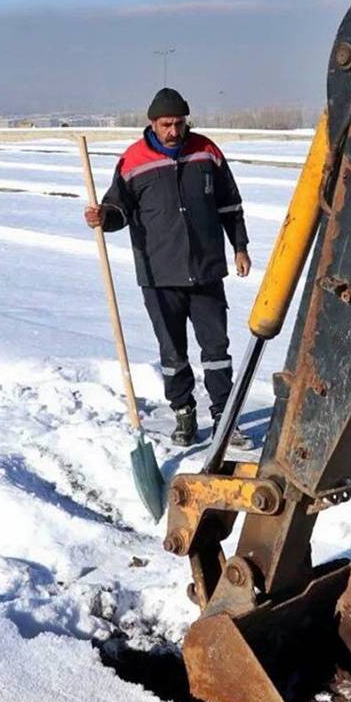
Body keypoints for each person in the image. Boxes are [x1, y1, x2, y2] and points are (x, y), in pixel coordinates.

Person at [84, 88, 251, 446]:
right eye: (166, 125)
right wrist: (103, 217)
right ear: (152, 124)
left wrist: (240, 246)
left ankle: (224, 416)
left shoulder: (206, 152)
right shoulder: (133, 160)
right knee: (172, 352)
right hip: (158, 273)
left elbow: (230, 205)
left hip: (206, 270)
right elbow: (119, 209)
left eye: (179, 123)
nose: (174, 131)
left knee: (217, 349)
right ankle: (184, 413)